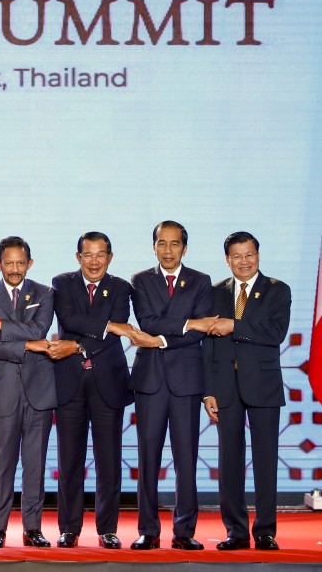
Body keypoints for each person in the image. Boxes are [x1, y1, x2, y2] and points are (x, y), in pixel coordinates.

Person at [128, 222, 214, 551]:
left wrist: (162, 338)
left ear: (184, 248)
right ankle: (148, 530)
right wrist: (187, 322)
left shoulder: (201, 281)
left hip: (186, 382)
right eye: (161, 243)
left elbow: (201, 329)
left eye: (174, 244)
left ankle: (184, 532)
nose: (168, 250)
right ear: (153, 247)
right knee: (148, 457)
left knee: (186, 458)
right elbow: (147, 321)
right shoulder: (140, 280)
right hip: (150, 381)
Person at [51, 231, 139, 549]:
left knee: (108, 460)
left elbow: (119, 324)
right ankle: (69, 528)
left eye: (100, 254)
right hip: (69, 384)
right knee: (69, 460)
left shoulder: (121, 287)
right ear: (78, 258)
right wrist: (104, 327)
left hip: (108, 384)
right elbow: (69, 318)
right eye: (87, 255)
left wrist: (76, 344)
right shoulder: (62, 283)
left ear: (110, 257)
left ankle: (107, 528)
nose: (94, 261)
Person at [203, 231, 290, 551]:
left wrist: (234, 326)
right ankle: (236, 531)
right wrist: (207, 391)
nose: (244, 261)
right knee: (230, 462)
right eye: (237, 256)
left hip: (263, 386)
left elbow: (275, 333)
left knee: (266, 460)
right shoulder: (215, 293)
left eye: (249, 254)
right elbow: (208, 345)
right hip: (225, 389)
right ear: (227, 259)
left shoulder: (278, 290)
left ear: (258, 255)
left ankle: (265, 531)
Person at [0, 236, 61, 549]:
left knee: (35, 463)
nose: (14, 269)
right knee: (4, 463)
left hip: (39, 391)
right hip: (2, 391)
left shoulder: (46, 293)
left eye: (20, 263)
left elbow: (39, 330)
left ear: (29, 263)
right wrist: (24, 345)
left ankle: (32, 528)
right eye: (8, 263)